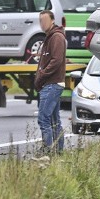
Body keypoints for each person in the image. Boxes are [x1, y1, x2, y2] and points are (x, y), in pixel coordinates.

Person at [34, 10, 67, 154]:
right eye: (40, 20)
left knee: (43, 119)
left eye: (45, 20)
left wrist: (42, 74)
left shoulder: (56, 37)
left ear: (52, 20)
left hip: (52, 84)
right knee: (54, 120)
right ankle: (58, 151)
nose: (43, 23)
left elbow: (56, 60)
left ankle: (47, 150)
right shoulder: (49, 37)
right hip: (51, 84)